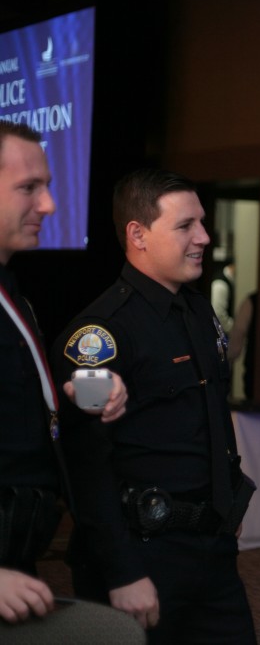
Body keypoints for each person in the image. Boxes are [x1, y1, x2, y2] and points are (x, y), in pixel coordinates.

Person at [50, 168, 257, 643]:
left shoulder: (198, 312)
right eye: (186, 226)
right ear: (138, 235)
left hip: (212, 552)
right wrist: (122, 572)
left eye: (202, 223)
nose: (204, 237)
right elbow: (87, 465)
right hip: (143, 555)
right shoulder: (99, 337)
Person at [0, 121, 127, 624]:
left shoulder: (14, 292)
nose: (50, 205)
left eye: (47, 186)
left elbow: (27, 390)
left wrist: (96, 389)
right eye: (28, 188)